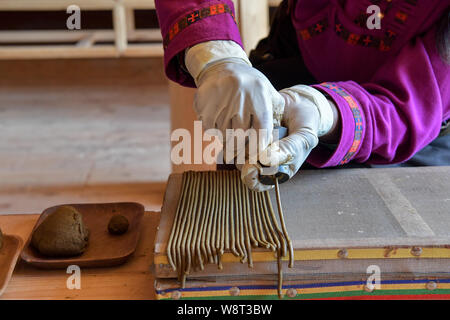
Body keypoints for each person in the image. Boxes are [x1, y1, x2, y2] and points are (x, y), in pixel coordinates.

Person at [155, 0, 450, 191]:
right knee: (243, 201)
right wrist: (215, 53)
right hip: (295, 65)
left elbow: (407, 106)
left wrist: (322, 110)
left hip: (406, 123)